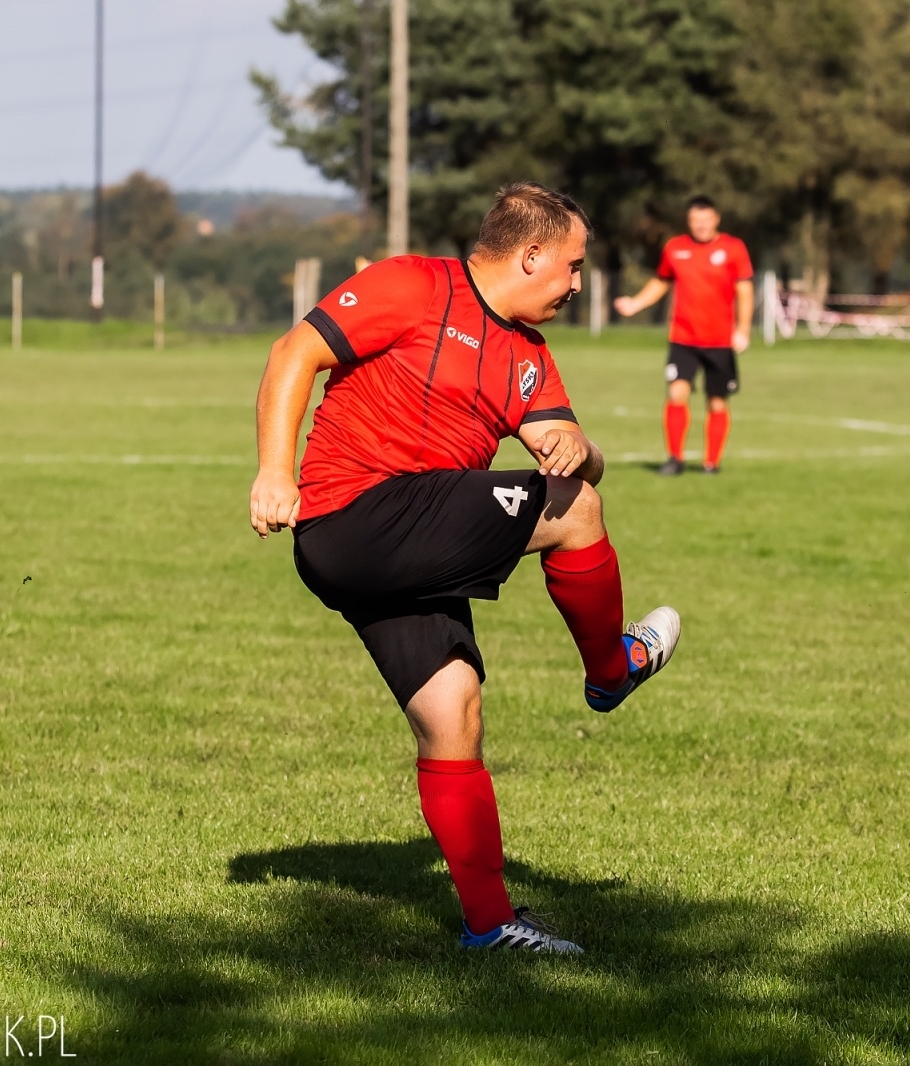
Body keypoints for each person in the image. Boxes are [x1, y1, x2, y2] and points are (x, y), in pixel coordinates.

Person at [249, 182, 681, 954]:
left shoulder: (528, 355)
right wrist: (274, 473)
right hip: (356, 516)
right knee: (576, 513)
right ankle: (612, 671)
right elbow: (294, 353)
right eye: (574, 266)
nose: (578, 284)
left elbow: (578, 457)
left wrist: (583, 449)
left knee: (454, 715)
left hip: (391, 550)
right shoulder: (413, 284)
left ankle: (490, 927)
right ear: (533, 253)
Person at [613, 196, 753, 476]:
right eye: (695, 220)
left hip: (720, 340)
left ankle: (711, 463)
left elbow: (745, 291)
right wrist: (635, 303)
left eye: (705, 219)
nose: (700, 225)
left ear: (716, 219)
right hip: (683, 337)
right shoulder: (675, 248)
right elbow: (661, 281)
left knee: (717, 401)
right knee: (677, 393)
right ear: (689, 222)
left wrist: (743, 330)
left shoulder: (733, 248)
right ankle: (675, 459)